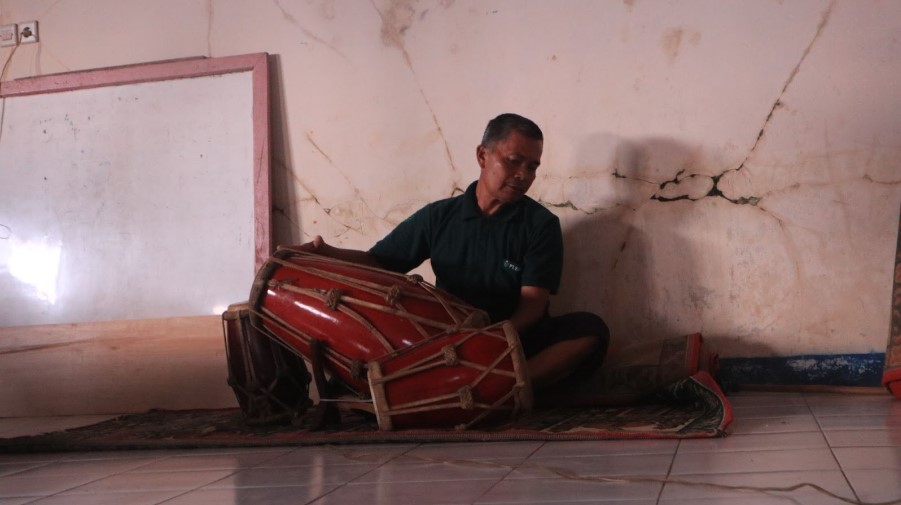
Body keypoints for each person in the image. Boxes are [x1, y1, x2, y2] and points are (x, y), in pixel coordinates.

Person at [294, 113, 609, 391]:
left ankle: (498, 391)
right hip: (448, 342)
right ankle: (481, 388)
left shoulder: (540, 224)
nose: (523, 174)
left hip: (513, 340)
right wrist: (325, 251)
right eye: (513, 161)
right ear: (482, 156)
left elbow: (533, 306)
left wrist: (492, 338)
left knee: (590, 330)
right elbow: (380, 262)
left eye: (532, 167)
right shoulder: (440, 217)